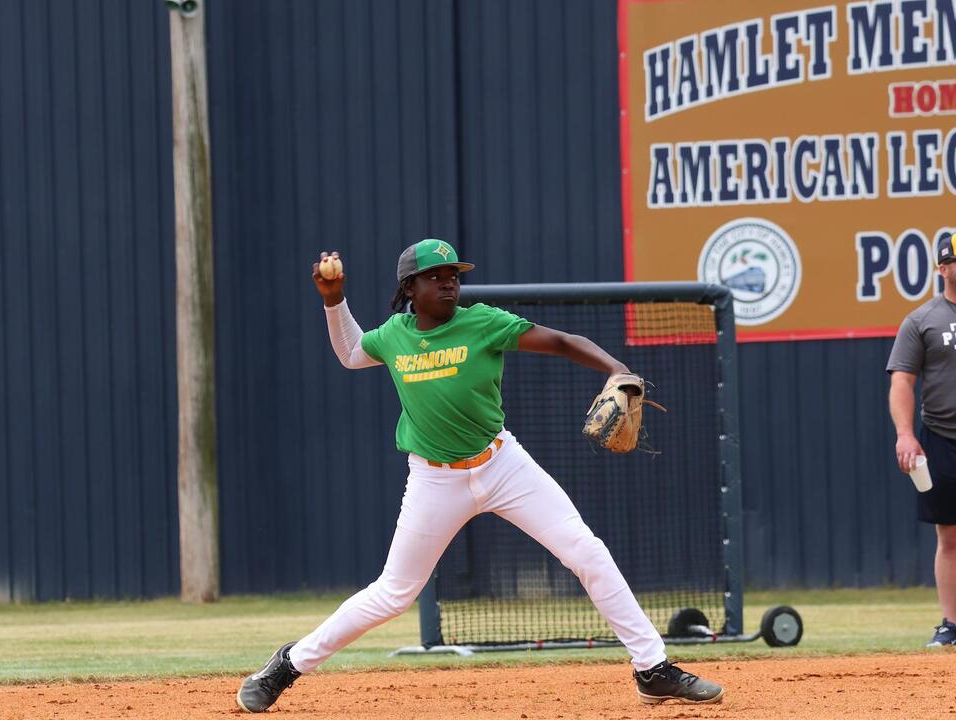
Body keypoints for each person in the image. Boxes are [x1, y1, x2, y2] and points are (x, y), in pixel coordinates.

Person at [237, 238, 724, 712]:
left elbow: (560, 341)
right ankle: (285, 666)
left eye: (453, 276)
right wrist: (334, 300)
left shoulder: (484, 323)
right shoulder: (393, 335)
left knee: (587, 552)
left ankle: (652, 669)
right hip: (435, 480)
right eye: (435, 277)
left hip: (502, 465)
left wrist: (617, 368)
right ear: (409, 288)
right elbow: (350, 353)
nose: (448, 284)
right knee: (393, 595)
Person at [887, 231, 956, 647]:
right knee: (949, 535)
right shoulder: (922, 320)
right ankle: (951, 624)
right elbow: (902, 381)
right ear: (944, 267)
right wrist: (905, 435)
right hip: (943, 436)